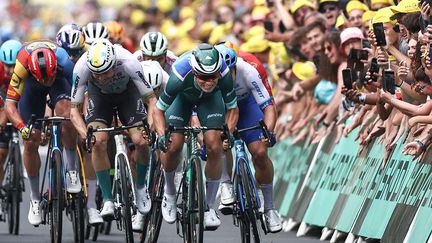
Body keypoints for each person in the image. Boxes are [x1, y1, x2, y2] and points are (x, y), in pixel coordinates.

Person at [70, 38, 159, 221]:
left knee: (141, 141)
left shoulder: (129, 62)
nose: (101, 77)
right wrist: (84, 134)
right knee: (98, 141)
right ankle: (108, 200)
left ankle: (141, 188)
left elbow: (151, 100)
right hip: (100, 98)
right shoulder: (81, 67)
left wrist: (149, 126)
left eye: (105, 72)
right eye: (97, 74)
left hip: (128, 95)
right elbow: (74, 111)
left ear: (114, 63)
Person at [152, 43, 238, 230]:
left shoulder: (223, 73)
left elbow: (232, 108)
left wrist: (228, 133)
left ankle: (208, 208)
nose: (208, 82)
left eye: (212, 77)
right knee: (173, 145)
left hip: (210, 102)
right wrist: (160, 135)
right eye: (203, 77)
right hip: (181, 100)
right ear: (194, 71)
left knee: (215, 146)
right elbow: (158, 110)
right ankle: (170, 192)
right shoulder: (179, 74)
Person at [4, 40, 78, 226]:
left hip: (60, 82)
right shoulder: (21, 66)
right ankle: (35, 198)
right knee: (30, 140)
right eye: (43, 79)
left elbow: (82, 93)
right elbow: (10, 105)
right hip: (31, 86)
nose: (46, 82)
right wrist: (22, 127)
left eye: (49, 77)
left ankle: (71, 171)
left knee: (68, 116)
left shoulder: (65, 63)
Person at [215, 42, 282, 233]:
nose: (229, 77)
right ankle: (225, 182)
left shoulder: (251, 69)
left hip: (248, 105)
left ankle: (269, 208)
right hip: (222, 107)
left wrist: (267, 132)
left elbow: (269, 106)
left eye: (232, 71)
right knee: (221, 141)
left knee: (260, 152)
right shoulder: (210, 75)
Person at [56, 24, 103, 225]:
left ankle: (92, 205)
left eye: (76, 52)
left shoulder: (86, 58)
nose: (72, 56)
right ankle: (66, 171)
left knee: (88, 146)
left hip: (84, 89)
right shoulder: (56, 59)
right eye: (68, 52)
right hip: (61, 88)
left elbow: (87, 95)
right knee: (64, 117)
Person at [0, 39, 22, 217]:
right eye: (7, 65)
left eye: (13, 65)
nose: (10, 69)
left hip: (21, 104)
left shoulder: (25, 69)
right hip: (2, 105)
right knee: (0, 154)